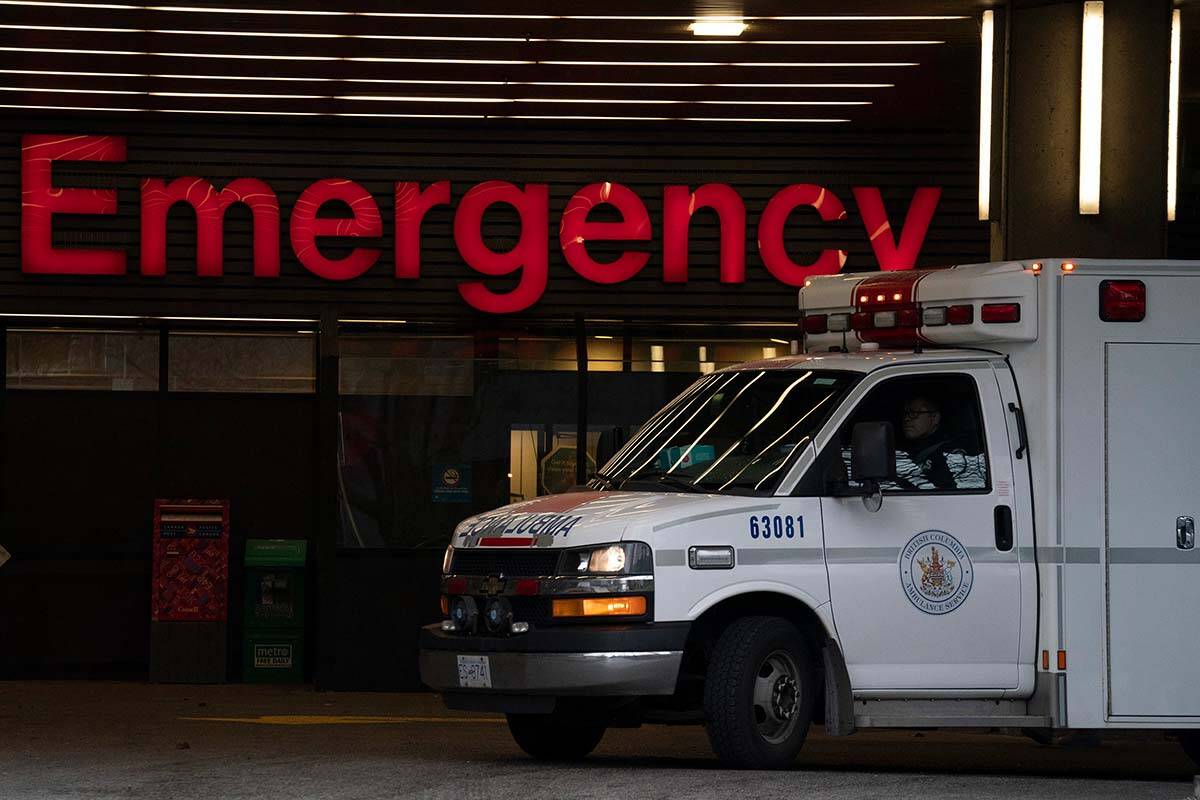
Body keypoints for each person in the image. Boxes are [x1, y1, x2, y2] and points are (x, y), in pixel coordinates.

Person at [895, 395, 957, 490]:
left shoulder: (949, 455)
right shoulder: (898, 450)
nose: (906, 419)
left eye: (914, 413)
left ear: (934, 418)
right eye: (905, 413)